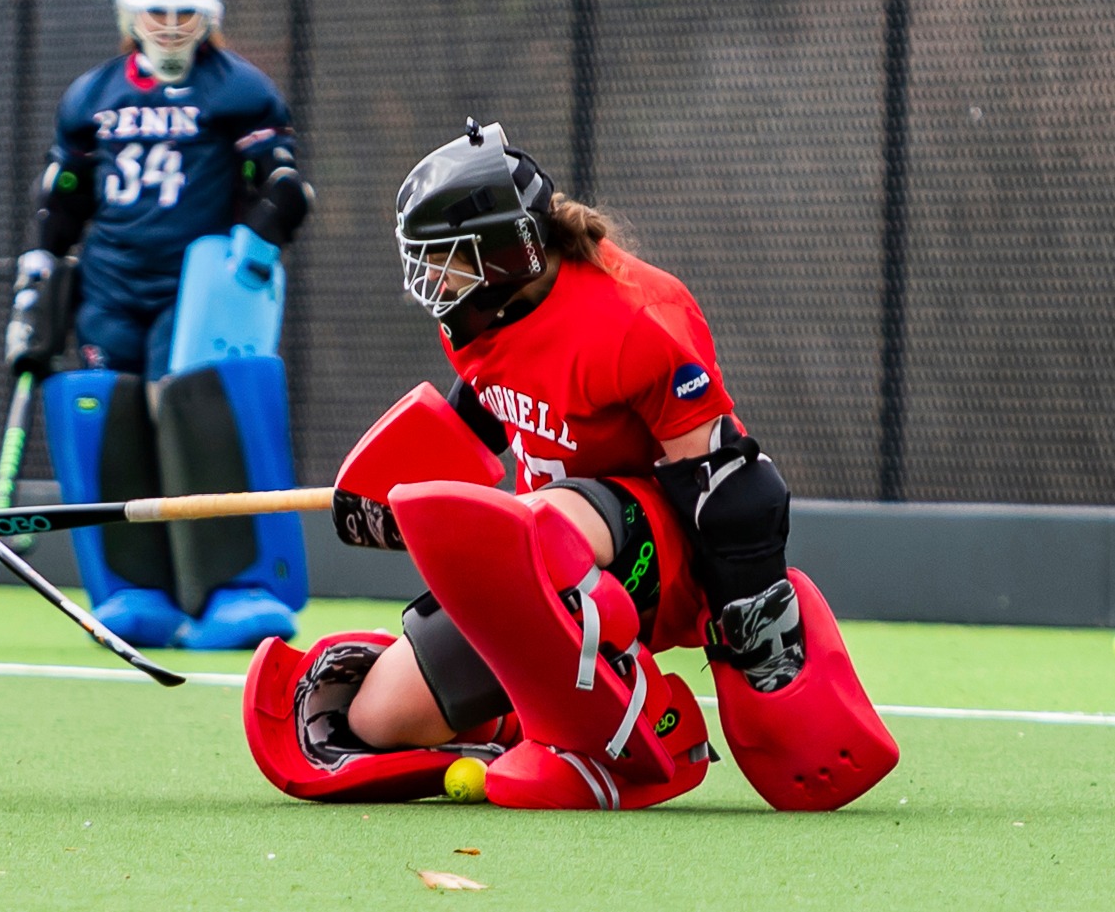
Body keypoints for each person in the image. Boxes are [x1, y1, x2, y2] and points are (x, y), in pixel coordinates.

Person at [243, 120, 898, 811]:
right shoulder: (483, 314)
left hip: (648, 555)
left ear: (505, 250)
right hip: (527, 573)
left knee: (535, 520)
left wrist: (755, 629)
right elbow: (497, 400)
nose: (432, 279)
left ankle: (639, 735)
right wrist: (402, 497)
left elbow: (729, 489)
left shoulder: (637, 318)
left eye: (447, 258)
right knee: (371, 717)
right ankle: (529, 718)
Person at [7, 0, 315, 650]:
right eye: (156, 9)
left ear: (206, 14)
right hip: (111, 283)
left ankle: (234, 585)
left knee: (193, 417)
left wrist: (262, 234)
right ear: (130, 12)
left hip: (196, 286)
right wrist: (40, 267)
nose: (171, 23)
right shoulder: (91, 95)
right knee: (113, 417)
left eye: (184, 10)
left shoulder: (239, 90)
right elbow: (64, 196)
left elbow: (282, 186)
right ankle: (136, 587)